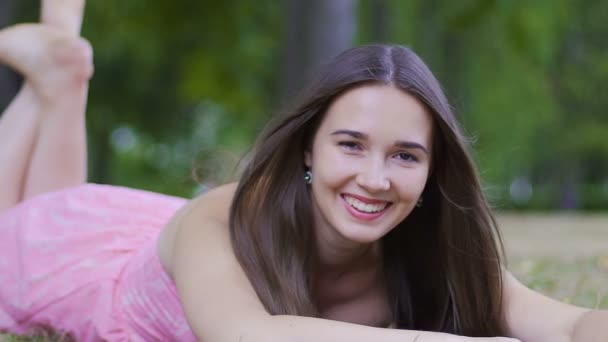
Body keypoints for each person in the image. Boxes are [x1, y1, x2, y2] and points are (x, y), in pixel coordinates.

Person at [0, 1, 606, 341]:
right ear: (308, 151)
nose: (375, 178)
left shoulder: (441, 255)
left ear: (432, 172)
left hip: (138, 230)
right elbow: (245, 336)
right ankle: (62, 70)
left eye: (405, 155)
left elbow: (569, 323)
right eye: (350, 144)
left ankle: (61, 72)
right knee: (21, 228)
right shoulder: (227, 214)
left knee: (56, 195)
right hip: (84, 264)